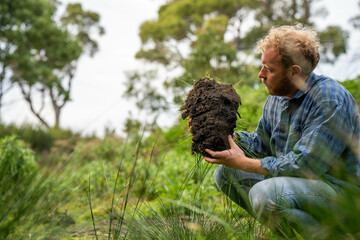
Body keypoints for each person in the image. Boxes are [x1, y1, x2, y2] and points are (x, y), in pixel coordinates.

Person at [204, 24, 360, 238]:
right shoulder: (275, 100)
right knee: (226, 173)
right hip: (303, 188)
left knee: (266, 194)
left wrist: (245, 163)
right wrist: (222, 134)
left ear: (294, 72)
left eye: (269, 69)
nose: (261, 74)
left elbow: (305, 166)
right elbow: (261, 144)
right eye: (262, 66)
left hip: (343, 197)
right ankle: (290, 234)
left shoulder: (329, 100)